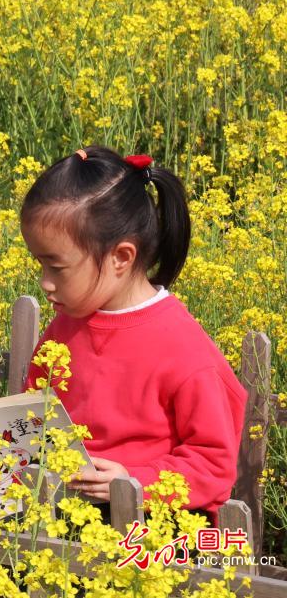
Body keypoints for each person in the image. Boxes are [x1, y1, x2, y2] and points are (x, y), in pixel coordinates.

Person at [21, 145, 247, 519]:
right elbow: (34, 413)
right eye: (40, 265)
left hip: (151, 527)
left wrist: (133, 482)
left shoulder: (185, 350)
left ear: (121, 258)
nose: (45, 283)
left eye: (56, 267)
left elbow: (214, 466)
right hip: (63, 515)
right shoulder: (67, 325)